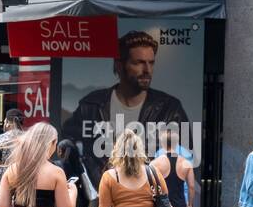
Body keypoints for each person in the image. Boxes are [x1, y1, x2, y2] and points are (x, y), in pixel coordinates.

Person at [61, 31, 190, 185]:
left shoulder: (169, 109)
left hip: (147, 200)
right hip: (104, 197)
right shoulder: (91, 106)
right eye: (138, 62)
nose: (147, 70)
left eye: (151, 62)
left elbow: (187, 159)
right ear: (119, 65)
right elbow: (67, 148)